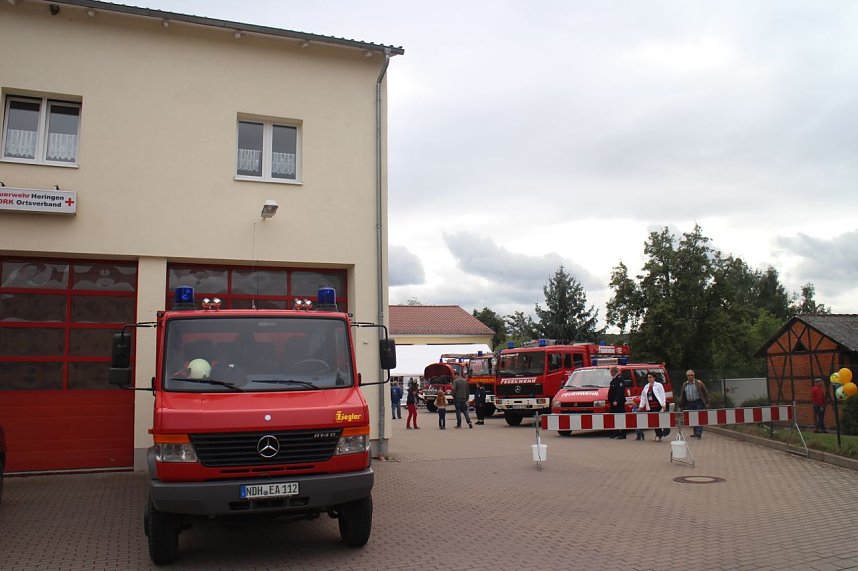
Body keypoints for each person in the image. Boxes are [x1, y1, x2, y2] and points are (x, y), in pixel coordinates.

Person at [638, 371, 667, 441]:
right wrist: (641, 406)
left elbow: (662, 395)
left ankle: (658, 435)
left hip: (657, 406)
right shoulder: (646, 386)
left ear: (654, 378)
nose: (649, 379)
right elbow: (643, 397)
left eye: (650, 377)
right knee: (654, 421)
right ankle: (659, 434)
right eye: (648, 377)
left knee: (657, 420)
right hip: (650, 406)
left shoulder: (659, 385)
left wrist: (663, 404)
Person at [679, 369, 709, 438]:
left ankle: (699, 432)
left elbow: (705, 392)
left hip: (698, 402)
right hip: (689, 403)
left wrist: (706, 402)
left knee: (699, 417)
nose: (690, 377)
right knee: (693, 418)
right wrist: (681, 403)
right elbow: (682, 394)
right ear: (686, 376)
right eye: (688, 375)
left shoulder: (699, 383)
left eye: (691, 375)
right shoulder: (685, 384)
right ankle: (695, 432)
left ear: (694, 375)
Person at [607, 366, 627, 439]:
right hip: (613, 403)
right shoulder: (614, 379)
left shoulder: (619, 379)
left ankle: (623, 434)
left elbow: (620, 391)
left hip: (619, 403)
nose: (610, 373)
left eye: (611, 372)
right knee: (614, 418)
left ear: (613, 372)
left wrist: (616, 400)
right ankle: (616, 432)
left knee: (621, 417)